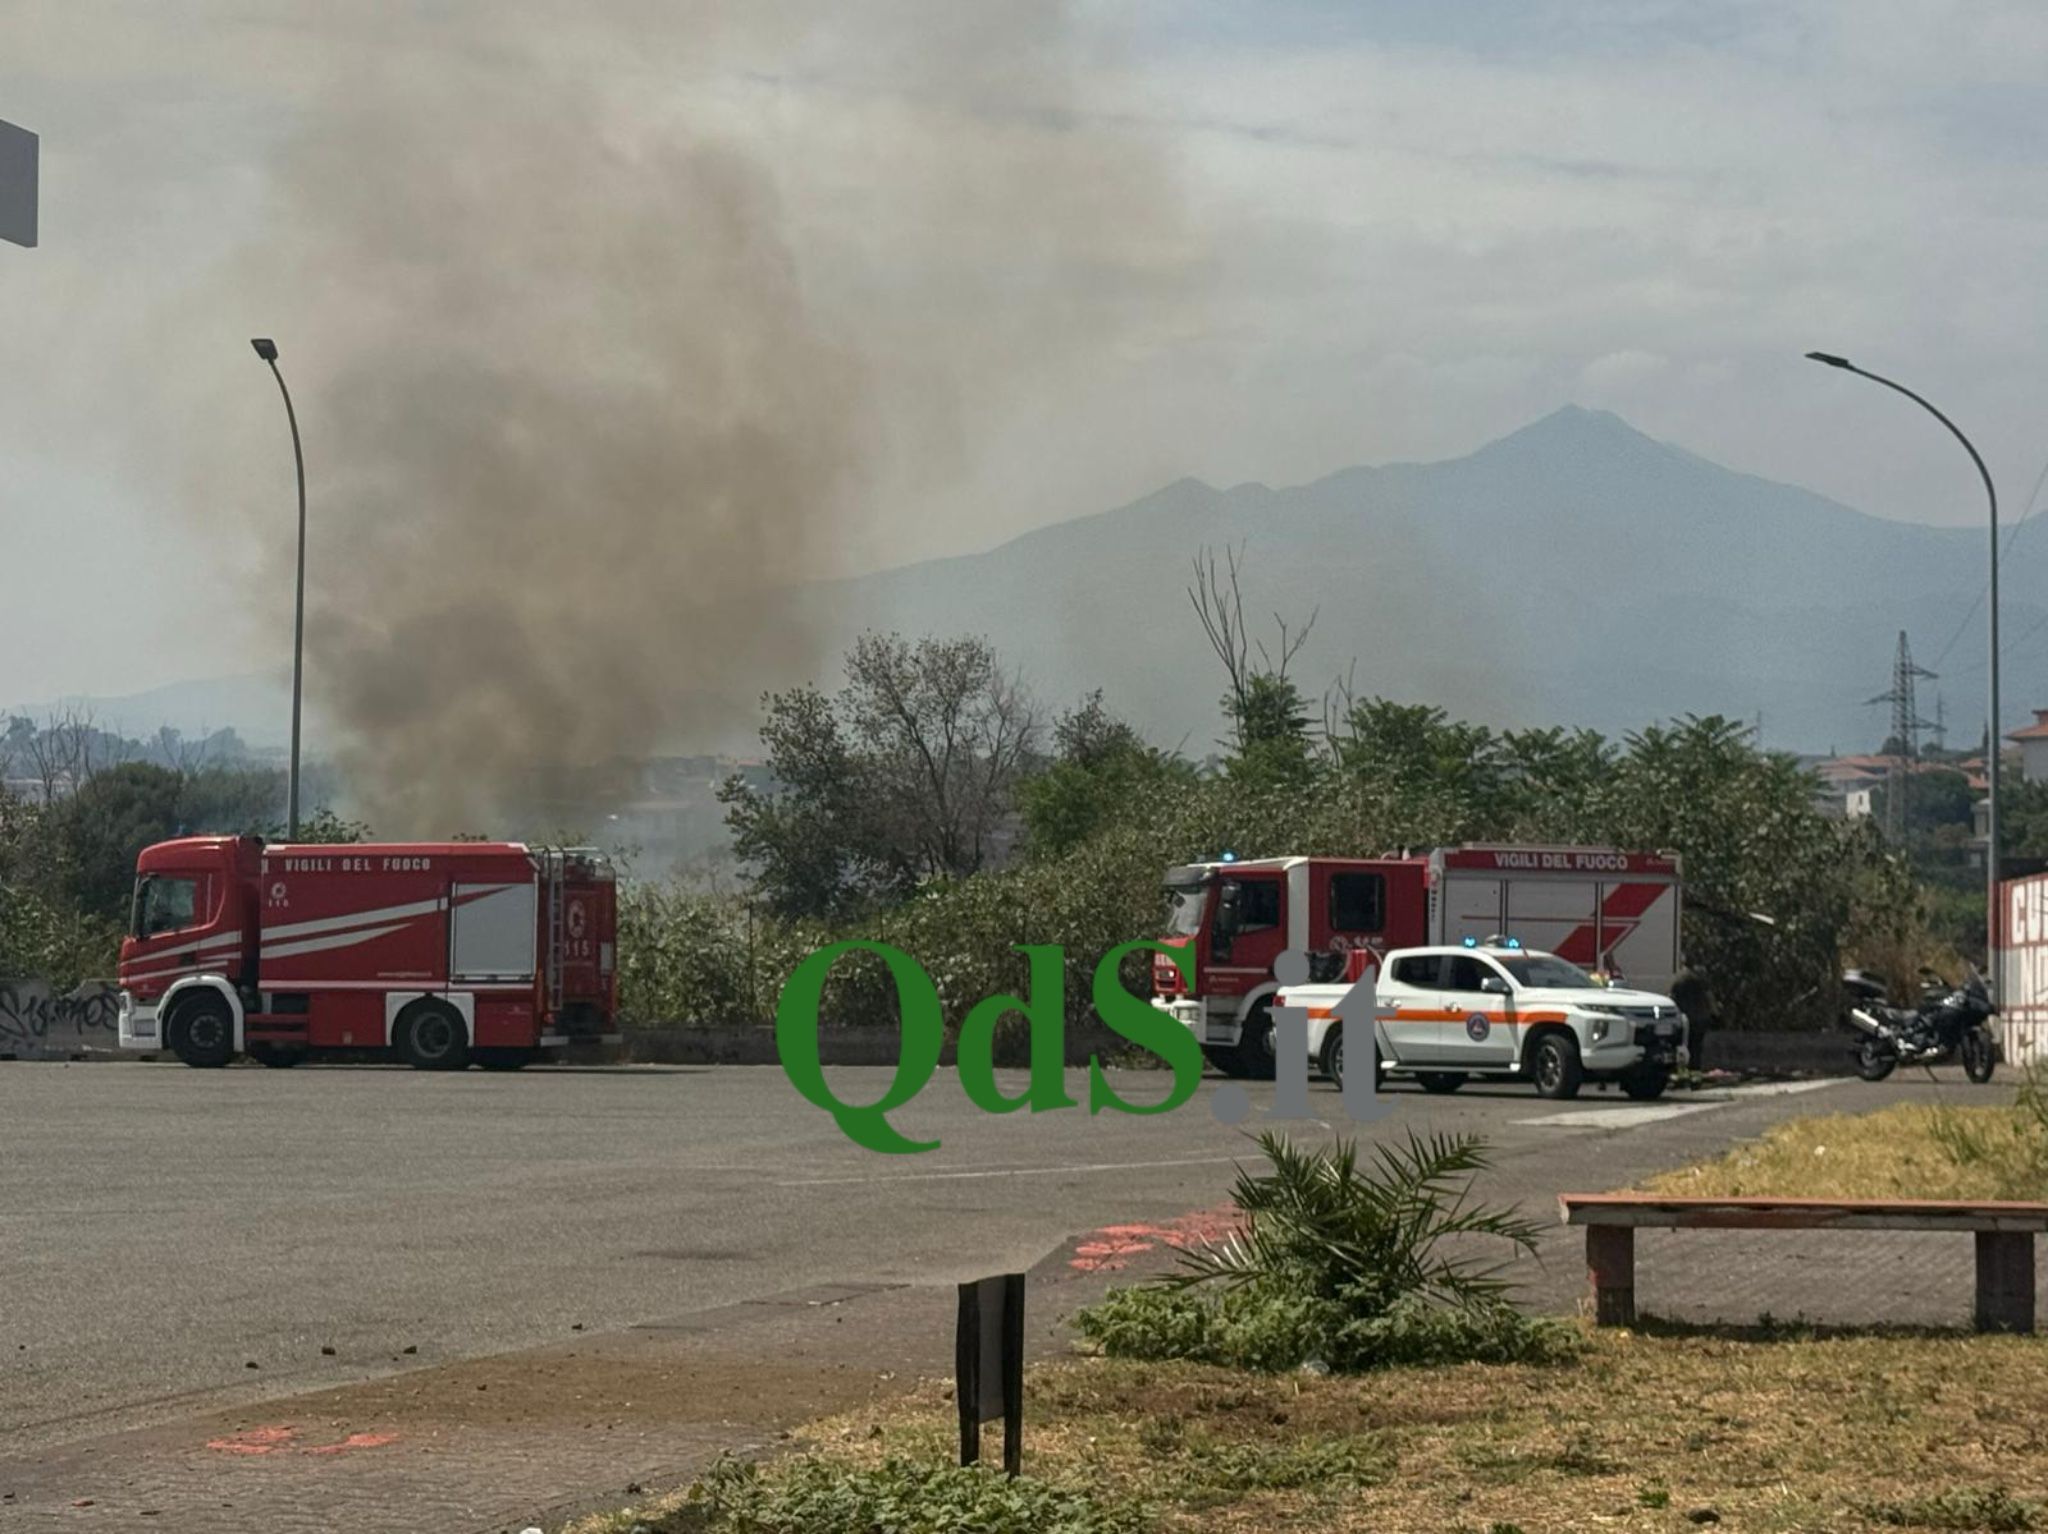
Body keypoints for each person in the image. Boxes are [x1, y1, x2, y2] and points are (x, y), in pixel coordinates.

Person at [1669, 968, 1715, 1073]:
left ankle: (1682, 1071)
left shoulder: (1679, 979)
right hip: (1700, 1017)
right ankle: (1695, 1071)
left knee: (1683, 1046)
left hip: (1685, 1018)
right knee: (1696, 1048)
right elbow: (1709, 996)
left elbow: (1672, 997)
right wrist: (1714, 1013)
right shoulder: (1701, 979)